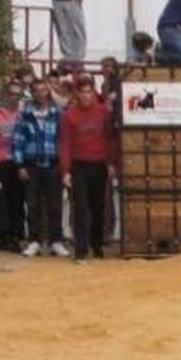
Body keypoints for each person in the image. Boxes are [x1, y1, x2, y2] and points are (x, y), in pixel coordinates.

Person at [60, 76, 116, 262]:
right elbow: (65, 144)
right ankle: (81, 250)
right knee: (80, 209)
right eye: (83, 92)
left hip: (98, 164)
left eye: (89, 92)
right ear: (77, 93)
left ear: (93, 93)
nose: (86, 96)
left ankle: (97, 246)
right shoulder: (69, 115)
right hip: (79, 166)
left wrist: (111, 163)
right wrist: (66, 171)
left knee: (98, 208)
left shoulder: (103, 112)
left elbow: (109, 138)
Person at [13, 78, 70, 258]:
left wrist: (64, 165)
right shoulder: (25, 115)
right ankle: (34, 241)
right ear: (32, 93)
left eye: (44, 90)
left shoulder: (58, 114)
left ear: (48, 92)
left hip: (53, 165)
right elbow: (18, 141)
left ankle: (56, 241)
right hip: (32, 166)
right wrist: (20, 165)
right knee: (32, 205)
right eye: (37, 90)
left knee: (55, 205)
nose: (41, 94)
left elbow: (64, 141)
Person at [0, 80, 25, 252]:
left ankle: (16, 237)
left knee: (17, 201)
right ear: (5, 95)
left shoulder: (23, 115)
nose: (14, 97)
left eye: (18, 94)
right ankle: (1, 236)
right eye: (12, 94)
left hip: (17, 162)